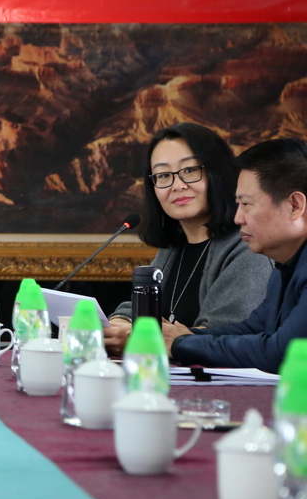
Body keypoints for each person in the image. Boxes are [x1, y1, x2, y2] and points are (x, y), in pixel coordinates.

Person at [104, 123, 271, 354]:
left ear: (218, 173)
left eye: (190, 170)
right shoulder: (174, 248)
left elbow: (226, 334)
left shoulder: (248, 246)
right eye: (163, 175)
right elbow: (140, 310)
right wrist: (118, 325)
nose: (178, 185)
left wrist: (139, 337)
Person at [166, 138, 307, 373]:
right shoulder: (285, 265)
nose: (237, 218)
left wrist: (180, 343)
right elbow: (252, 330)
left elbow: (283, 354)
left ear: (294, 205)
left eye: (246, 204)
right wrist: (182, 335)